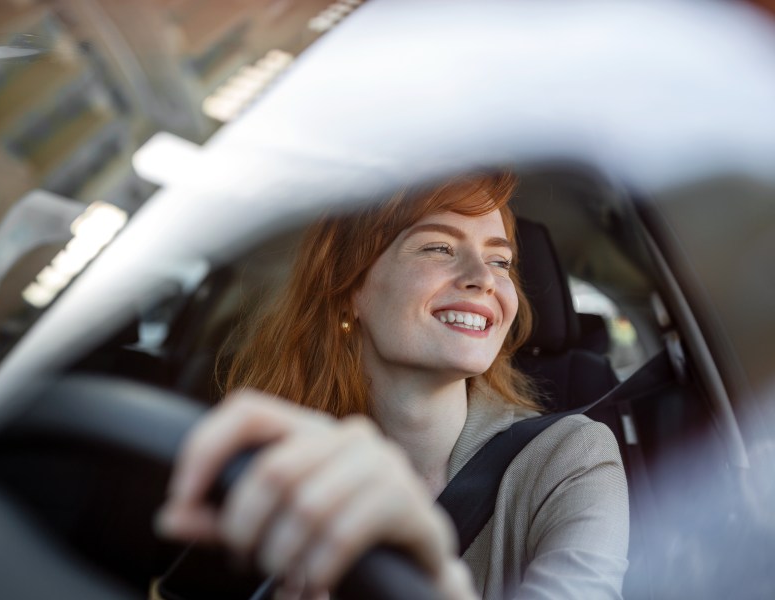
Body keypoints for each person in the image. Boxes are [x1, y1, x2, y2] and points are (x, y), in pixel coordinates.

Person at [156, 172, 629, 600]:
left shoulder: (573, 457)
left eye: (500, 260)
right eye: (438, 248)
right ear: (351, 291)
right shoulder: (277, 469)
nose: (484, 279)